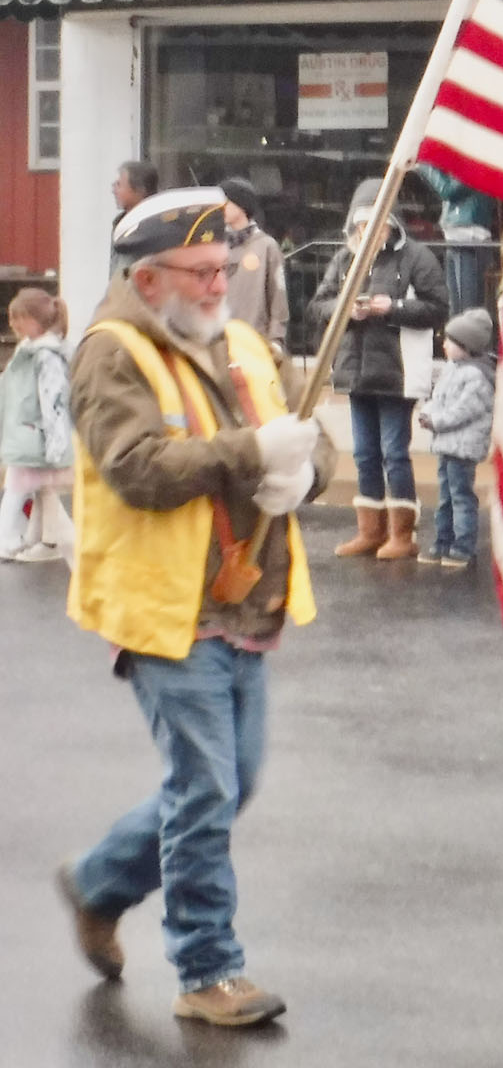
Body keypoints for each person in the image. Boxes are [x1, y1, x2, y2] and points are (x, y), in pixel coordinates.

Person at [57, 186, 334, 1029]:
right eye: (202, 271)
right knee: (208, 788)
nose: (221, 285)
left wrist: (305, 473)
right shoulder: (109, 354)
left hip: (247, 604)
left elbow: (304, 443)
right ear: (148, 279)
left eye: (227, 267)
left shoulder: (244, 340)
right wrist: (254, 453)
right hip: (166, 610)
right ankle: (207, 968)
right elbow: (137, 469)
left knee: (228, 782)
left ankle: (102, 882)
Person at [308, 178, 448, 560]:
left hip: (398, 371)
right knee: (365, 454)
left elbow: (439, 307)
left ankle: (402, 533)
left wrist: (394, 308)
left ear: (392, 224)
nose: (368, 232)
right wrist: (346, 310)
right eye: (361, 225)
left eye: (377, 224)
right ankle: (370, 530)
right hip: (356, 370)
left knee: (393, 452)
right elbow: (318, 305)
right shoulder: (344, 258)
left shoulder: (416, 257)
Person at [417, 307, 496, 570]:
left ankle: (463, 546)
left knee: (460, 495)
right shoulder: (452, 369)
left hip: (463, 448)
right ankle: (443, 540)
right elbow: (437, 397)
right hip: (447, 444)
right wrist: (427, 413)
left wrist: (435, 421)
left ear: (466, 345)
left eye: (449, 341)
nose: (444, 344)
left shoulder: (476, 376)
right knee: (445, 496)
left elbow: (463, 410)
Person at [0, 287, 74, 562]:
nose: (13, 324)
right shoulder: (30, 351)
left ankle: (6, 541)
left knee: (15, 489)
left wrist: (57, 447)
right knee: (41, 491)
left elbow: (53, 401)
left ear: (34, 320)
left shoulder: (45, 356)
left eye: (18, 318)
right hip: (29, 433)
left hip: (35, 435)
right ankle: (43, 540)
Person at [219, 176, 290, 357]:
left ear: (242, 205)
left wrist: (276, 340)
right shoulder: (214, 245)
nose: (221, 207)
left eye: (226, 202)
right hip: (219, 345)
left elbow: (278, 296)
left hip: (255, 346)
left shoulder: (266, 246)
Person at [416, 165, 497, 315]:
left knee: (466, 308)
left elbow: (448, 190)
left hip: (469, 236)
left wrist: (425, 164)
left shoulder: (474, 160)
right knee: (456, 307)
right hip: (457, 235)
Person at [109, 160, 159, 276]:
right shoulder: (120, 223)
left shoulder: (155, 224)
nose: (114, 191)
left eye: (119, 185)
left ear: (139, 190)